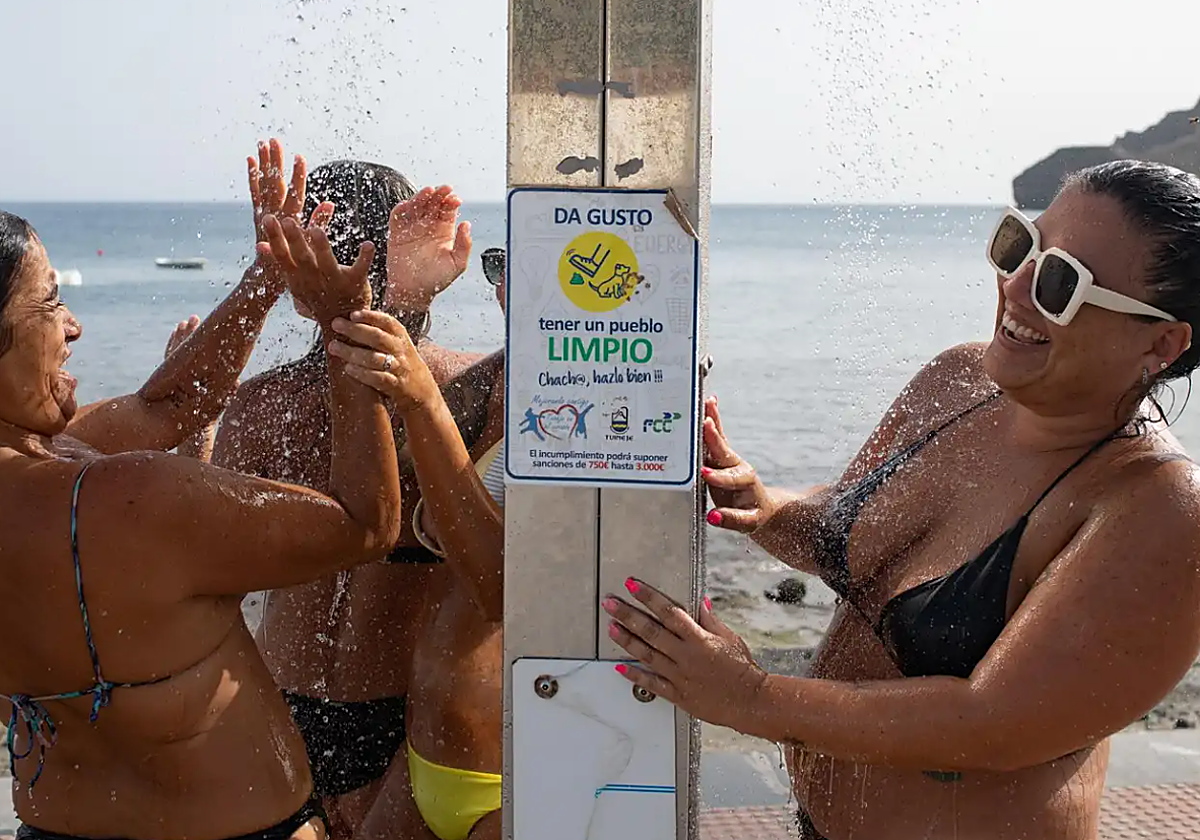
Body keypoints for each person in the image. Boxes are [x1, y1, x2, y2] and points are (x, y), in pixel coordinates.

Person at [602, 160, 1200, 840]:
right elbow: (847, 535)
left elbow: (990, 725)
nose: (1016, 285)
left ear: (1161, 341)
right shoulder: (957, 380)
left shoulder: (1156, 508)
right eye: (1020, 247)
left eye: (1063, 282)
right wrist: (767, 507)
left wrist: (749, 696)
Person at [0, 156, 403, 840]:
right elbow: (365, 525)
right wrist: (346, 324)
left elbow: (175, 403)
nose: (73, 328)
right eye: (49, 303)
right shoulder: (133, 494)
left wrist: (264, 279)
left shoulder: (63, 458)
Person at [213, 170, 502, 839]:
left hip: (407, 721)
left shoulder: (461, 388)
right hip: (276, 715)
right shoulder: (263, 404)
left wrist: (404, 304)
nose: (301, 258)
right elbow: (210, 584)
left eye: (320, 235)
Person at [349, 244, 507, 840]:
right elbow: (378, 461)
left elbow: (497, 587)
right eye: (500, 264)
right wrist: (408, 299)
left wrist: (424, 397)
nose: (502, 283)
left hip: (509, 776)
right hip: (424, 753)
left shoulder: (590, 415)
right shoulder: (486, 384)